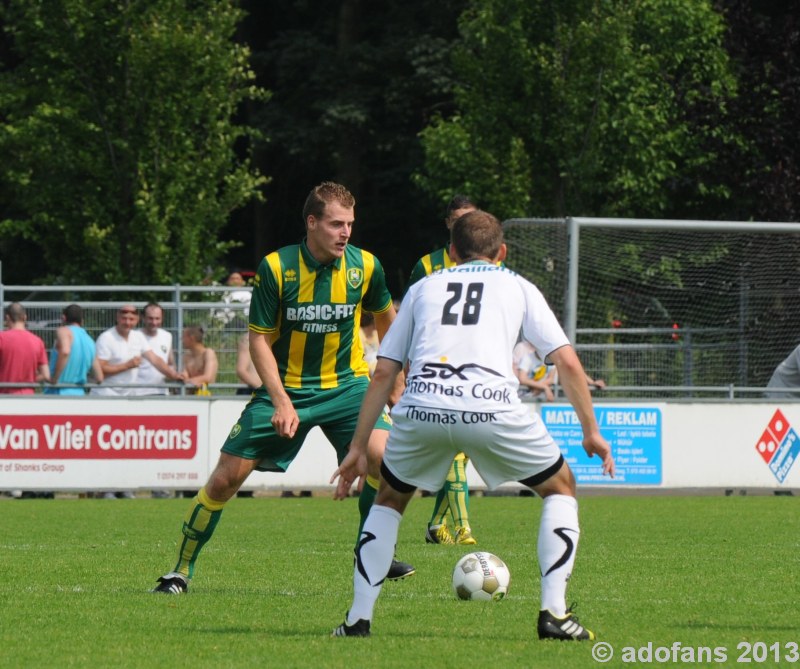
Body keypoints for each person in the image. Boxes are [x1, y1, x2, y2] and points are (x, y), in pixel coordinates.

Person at [331, 210, 615, 640]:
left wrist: (357, 446)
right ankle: (553, 615)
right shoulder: (518, 285)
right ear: (501, 252)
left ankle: (357, 621)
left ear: (450, 253)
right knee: (560, 487)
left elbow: (385, 371)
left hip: (424, 407)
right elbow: (568, 363)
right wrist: (590, 431)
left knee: (389, 500)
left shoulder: (424, 287)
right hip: (492, 408)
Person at [152, 181, 414, 595]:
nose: (345, 232)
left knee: (385, 461)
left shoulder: (366, 266)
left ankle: (371, 549)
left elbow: (389, 323)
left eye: (349, 224)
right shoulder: (276, 268)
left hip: (347, 388)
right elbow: (258, 339)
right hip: (287, 387)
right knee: (223, 481)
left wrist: (397, 381)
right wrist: (280, 400)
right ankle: (179, 571)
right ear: (311, 223)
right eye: (335, 224)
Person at [409, 194, 480, 546]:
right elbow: (412, 319)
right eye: (459, 219)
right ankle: (463, 527)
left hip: (474, 371)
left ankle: (437, 526)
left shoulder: (487, 267)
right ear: (449, 224)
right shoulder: (426, 266)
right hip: (436, 372)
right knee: (456, 450)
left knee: (461, 455)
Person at [91, 305, 185, 396]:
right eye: (124, 318)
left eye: (131, 319)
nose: (128, 322)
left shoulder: (138, 336)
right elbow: (100, 369)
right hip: (105, 394)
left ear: (137, 320)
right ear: (117, 318)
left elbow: (155, 360)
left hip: (127, 396)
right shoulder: (106, 338)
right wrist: (127, 366)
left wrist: (175, 375)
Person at [44, 304, 103, 395]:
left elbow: (65, 352)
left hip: (58, 393)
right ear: (82, 321)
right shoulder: (90, 341)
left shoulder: (64, 331)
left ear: (63, 318)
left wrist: (54, 379)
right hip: (79, 395)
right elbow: (99, 378)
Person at [0, 302, 50, 393]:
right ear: (25, 317)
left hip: (5, 396)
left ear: (7, 318)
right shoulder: (37, 341)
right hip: (28, 396)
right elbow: (46, 375)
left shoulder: (1, 338)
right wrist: (28, 381)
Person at [137, 302, 178, 396]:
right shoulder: (134, 336)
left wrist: (172, 375)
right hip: (138, 393)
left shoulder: (167, 336)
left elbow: (170, 362)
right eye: (150, 318)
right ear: (143, 318)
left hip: (161, 392)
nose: (154, 322)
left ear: (162, 318)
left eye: (157, 318)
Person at [181, 325, 218, 393]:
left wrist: (189, 380)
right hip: (189, 396)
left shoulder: (208, 353)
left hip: (206, 396)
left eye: (183, 337)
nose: (181, 340)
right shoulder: (186, 355)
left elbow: (208, 377)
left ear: (191, 338)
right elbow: (184, 377)